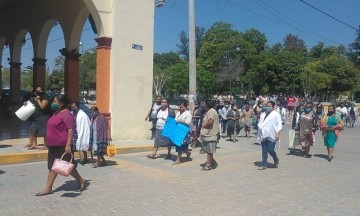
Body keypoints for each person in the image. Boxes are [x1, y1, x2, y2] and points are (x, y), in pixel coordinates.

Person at [35, 94, 86, 196]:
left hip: (62, 145)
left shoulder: (66, 114)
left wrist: (68, 145)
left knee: (67, 167)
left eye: (55, 102)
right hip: (53, 146)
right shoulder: (56, 113)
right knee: (52, 167)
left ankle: (81, 181)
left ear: (61, 103)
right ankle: (48, 188)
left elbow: (70, 129)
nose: (53, 103)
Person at [257, 101, 282, 170]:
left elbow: (279, 125)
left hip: (272, 134)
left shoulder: (276, 114)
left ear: (273, 107)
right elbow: (260, 122)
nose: (267, 107)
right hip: (264, 134)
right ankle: (264, 165)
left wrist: (277, 133)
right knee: (264, 150)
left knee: (270, 150)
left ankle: (276, 159)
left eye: (269, 106)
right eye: (266, 106)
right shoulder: (263, 114)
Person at [200, 101, 220, 171]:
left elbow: (210, 122)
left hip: (211, 134)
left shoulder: (211, 111)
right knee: (207, 150)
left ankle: (208, 165)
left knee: (209, 151)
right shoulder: (212, 111)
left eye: (204, 104)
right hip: (208, 134)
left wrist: (204, 126)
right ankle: (213, 162)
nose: (202, 105)